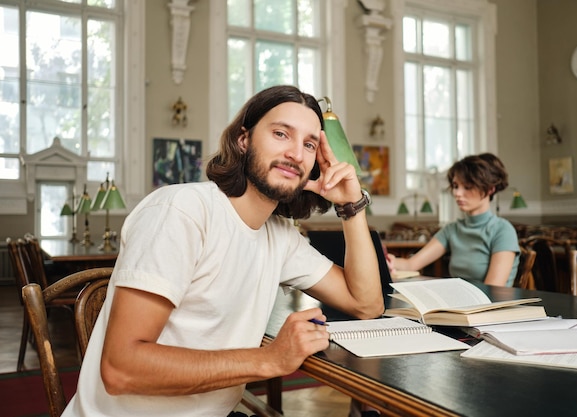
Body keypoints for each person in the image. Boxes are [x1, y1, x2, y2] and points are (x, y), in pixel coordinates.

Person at [62, 85, 385, 417]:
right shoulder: (181, 211)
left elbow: (366, 304)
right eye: (280, 134)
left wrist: (351, 205)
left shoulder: (280, 237)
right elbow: (121, 369)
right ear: (243, 140)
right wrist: (269, 359)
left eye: (309, 144)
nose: (295, 153)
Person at [388, 153, 519, 287]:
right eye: (456, 186)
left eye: (467, 187)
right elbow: (412, 264)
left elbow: (493, 288)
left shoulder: (503, 231)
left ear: (490, 189)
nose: (457, 193)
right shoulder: (452, 230)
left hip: (491, 305)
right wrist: (391, 261)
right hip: (460, 303)